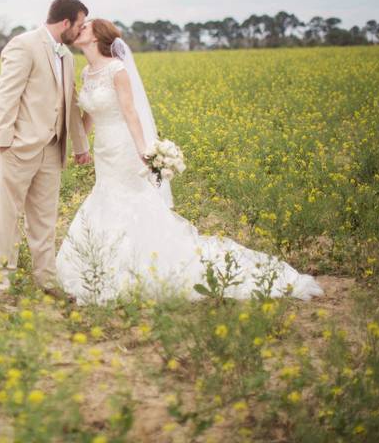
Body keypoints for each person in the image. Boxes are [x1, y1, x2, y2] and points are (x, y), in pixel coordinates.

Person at [55, 18, 324, 305]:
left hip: (123, 146)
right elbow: (90, 114)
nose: (79, 29)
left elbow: (131, 114)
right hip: (103, 150)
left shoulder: (117, 71)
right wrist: (79, 145)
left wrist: (144, 151)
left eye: (85, 27)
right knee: (105, 197)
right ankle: (96, 263)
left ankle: (136, 265)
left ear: (97, 37)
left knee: (128, 200)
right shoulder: (87, 72)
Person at [0, 0, 92, 298]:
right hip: (17, 147)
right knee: (9, 219)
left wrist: (80, 145)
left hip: (52, 150)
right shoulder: (24, 44)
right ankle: (3, 285)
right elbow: (6, 96)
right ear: (66, 22)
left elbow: (69, 102)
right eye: (79, 25)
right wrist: (4, 144)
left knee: (44, 219)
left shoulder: (67, 56)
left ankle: (47, 281)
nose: (81, 31)